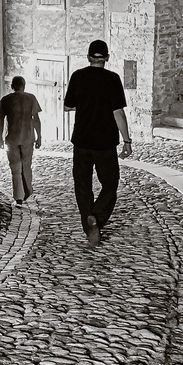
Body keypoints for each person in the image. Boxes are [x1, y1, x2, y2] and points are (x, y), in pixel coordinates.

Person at [63, 39, 132, 247]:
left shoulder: (77, 76)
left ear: (88, 57)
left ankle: (89, 225)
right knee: (110, 184)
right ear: (107, 58)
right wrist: (127, 140)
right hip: (105, 142)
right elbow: (118, 112)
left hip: (82, 141)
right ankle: (98, 216)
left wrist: (86, 105)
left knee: (82, 185)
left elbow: (68, 107)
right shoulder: (112, 79)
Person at [0, 76, 42, 205]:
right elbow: (36, 119)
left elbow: (0, 121)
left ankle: (18, 196)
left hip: (12, 138)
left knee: (15, 168)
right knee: (26, 165)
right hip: (28, 137)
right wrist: (39, 136)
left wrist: (0, 137)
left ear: (12, 86)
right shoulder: (31, 98)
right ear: (24, 85)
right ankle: (27, 191)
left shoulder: (6, 100)